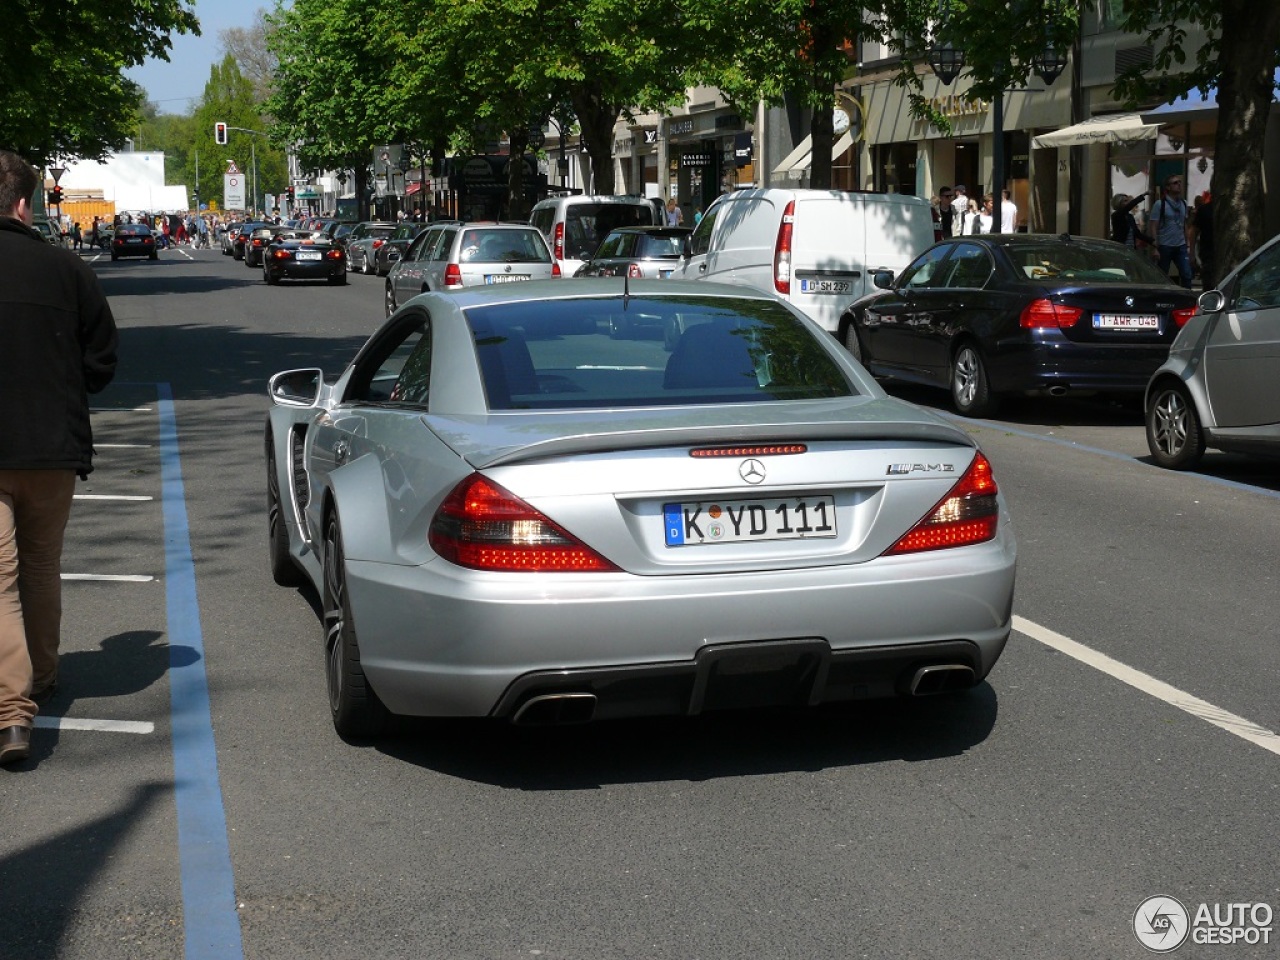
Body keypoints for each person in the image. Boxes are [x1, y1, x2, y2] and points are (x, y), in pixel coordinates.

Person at [0, 149, 118, 765]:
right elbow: (103, 361)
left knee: (0, 580)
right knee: (42, 565)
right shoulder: (67, 270)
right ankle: (41, 679)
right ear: (26, 204)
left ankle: (10, 712)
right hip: (52, 447)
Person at [1148, 174, 1193, 288]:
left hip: (1180, 245)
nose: (1178, 185)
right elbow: (1153, 226)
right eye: (1175, 183)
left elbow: (1184, 224)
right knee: (1162, 275)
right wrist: (1155, 247)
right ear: (1168, 187)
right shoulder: (1160, 204)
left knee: (1187, 274)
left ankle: (1187, 299)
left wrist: (1188, 244)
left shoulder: (1183, 203)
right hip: (1165, 245)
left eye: (1179, 182)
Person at [1191, 192, 1216, 290]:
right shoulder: (1204, 210)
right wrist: (1192, 254)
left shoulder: (1204, 210)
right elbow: (1194, 231)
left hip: (1209, 252)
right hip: (1208, 252)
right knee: (1209, 282)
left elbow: (1193, 232)